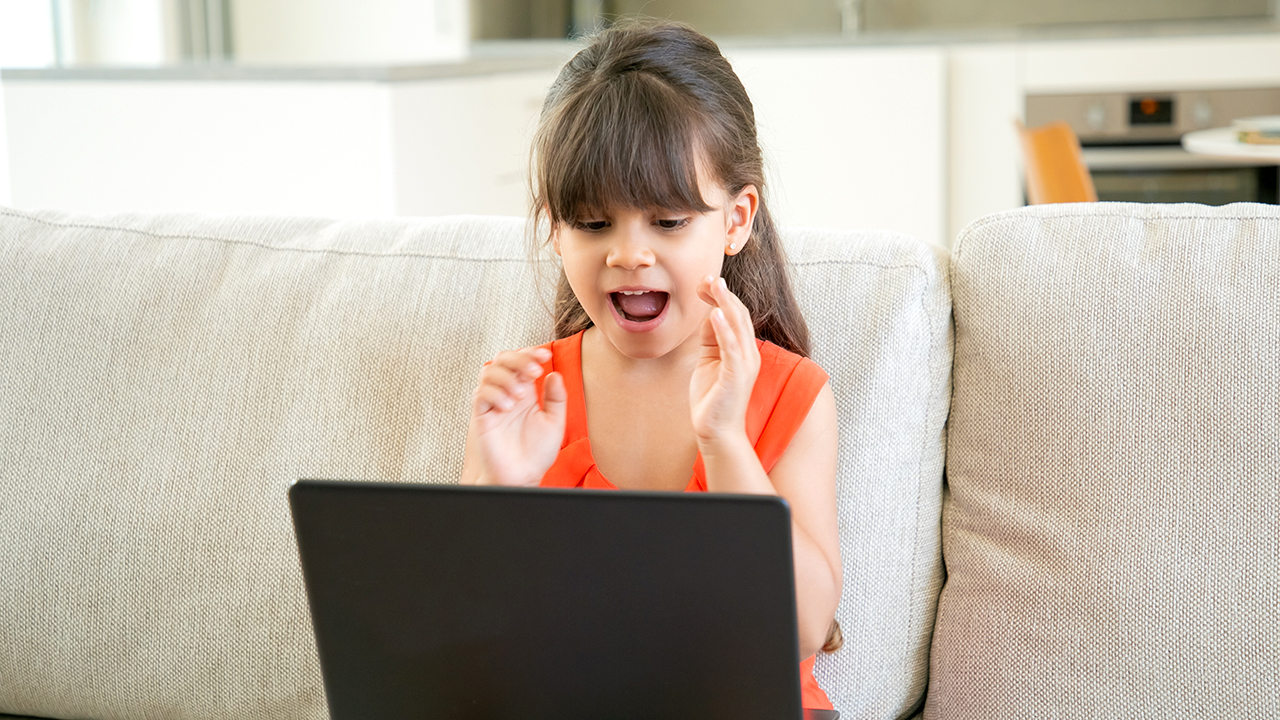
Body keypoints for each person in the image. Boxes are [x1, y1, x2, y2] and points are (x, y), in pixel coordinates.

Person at [460, 19, 842, 711]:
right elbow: (466, 644)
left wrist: (724, 439)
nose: (628, 255)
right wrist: (500, 491)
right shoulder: (522, 397)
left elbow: (806, 625)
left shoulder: (793, 394)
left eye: (667, 222)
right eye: (594, 223)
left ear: (735, 218)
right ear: (554, 226)